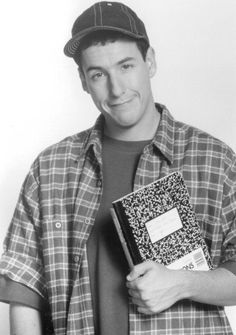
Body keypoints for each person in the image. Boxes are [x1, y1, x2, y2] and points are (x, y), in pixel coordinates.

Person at [0, 1, 236, 334]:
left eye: (126, 66)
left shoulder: (213, 160)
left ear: (150, 61)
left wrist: (183, 283)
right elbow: (24, 289)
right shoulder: (50, 170)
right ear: (83, 80)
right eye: (98, 74)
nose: (117, 89)